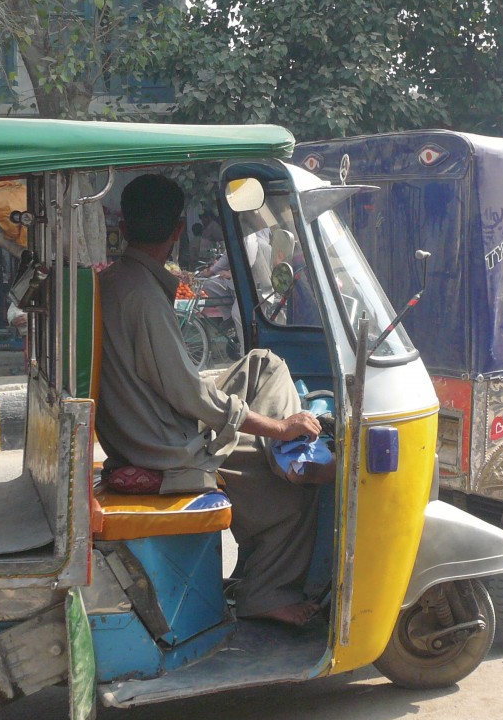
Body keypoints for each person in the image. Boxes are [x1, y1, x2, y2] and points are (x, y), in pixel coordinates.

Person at [96, 174, 332, 627]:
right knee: (291, 499)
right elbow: (190, 396)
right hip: (167, 447)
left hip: (147, 420)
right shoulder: (143, 297)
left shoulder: (120, 281)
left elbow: (179, 384)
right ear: (178, 230)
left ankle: (285, 451)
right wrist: (279, 427)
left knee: (264, 362)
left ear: (123, 228)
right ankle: (266, 588)